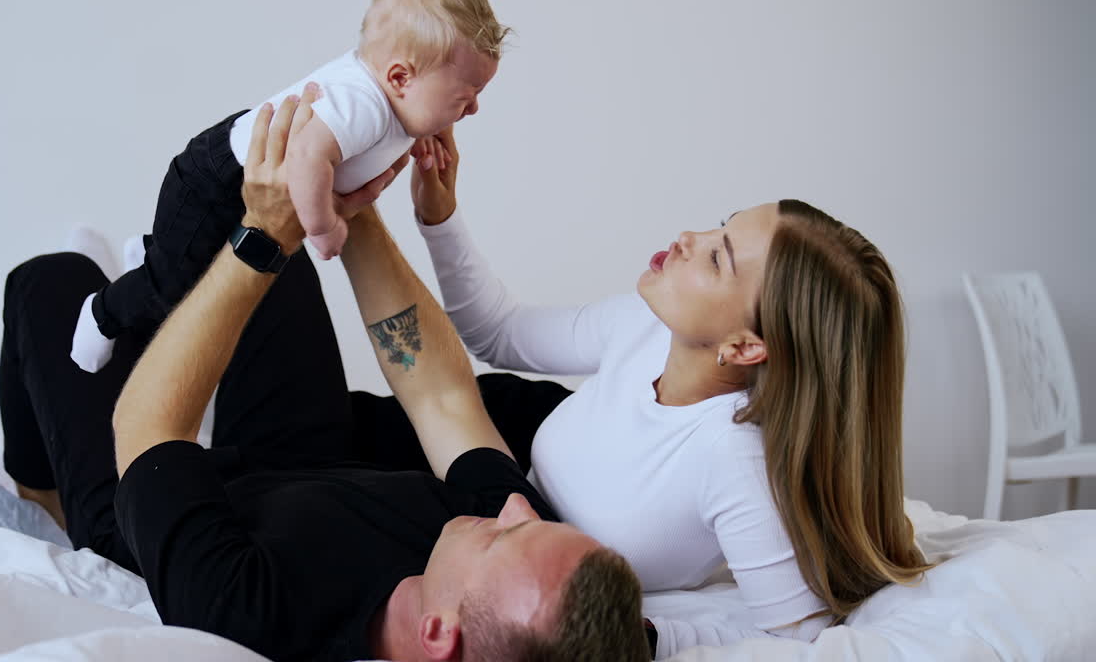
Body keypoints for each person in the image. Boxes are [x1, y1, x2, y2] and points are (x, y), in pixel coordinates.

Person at [0, 88, 649, 662]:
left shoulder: (254, 615)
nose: (514, 505)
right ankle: (149, 297)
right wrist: (348, 198)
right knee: (276, 255)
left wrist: (263, 236)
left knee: (50, 282)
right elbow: (441, 395)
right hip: (303, 465)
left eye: (501, 539)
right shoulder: (504, 532)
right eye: (530, 520)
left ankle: (42, 494)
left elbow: (150, 425)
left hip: (152, 509)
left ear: (437, 636)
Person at [358, 125, 933, 657]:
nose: (688, 237)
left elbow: (794, 633)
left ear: (744, 347)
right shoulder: (647, 326)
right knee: (327, 422)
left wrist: (654, 637)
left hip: (499, 519)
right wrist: (439, 216)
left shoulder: (730, 458)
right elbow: (500, 332)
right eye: (720, 225)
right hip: (507, 444)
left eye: (717, 258)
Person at [69, 0, 500, 373]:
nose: (475, 108)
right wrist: (324, 226)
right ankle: (103, 309)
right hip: (216, 181)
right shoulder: (361, 104)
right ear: (401, 79)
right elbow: (308, 156)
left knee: (205, 275)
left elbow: (390, 124)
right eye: (465, 97)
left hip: (241, 185)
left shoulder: (394, 99)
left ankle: (157, 254)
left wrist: (423, 126)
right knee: (175, 291)